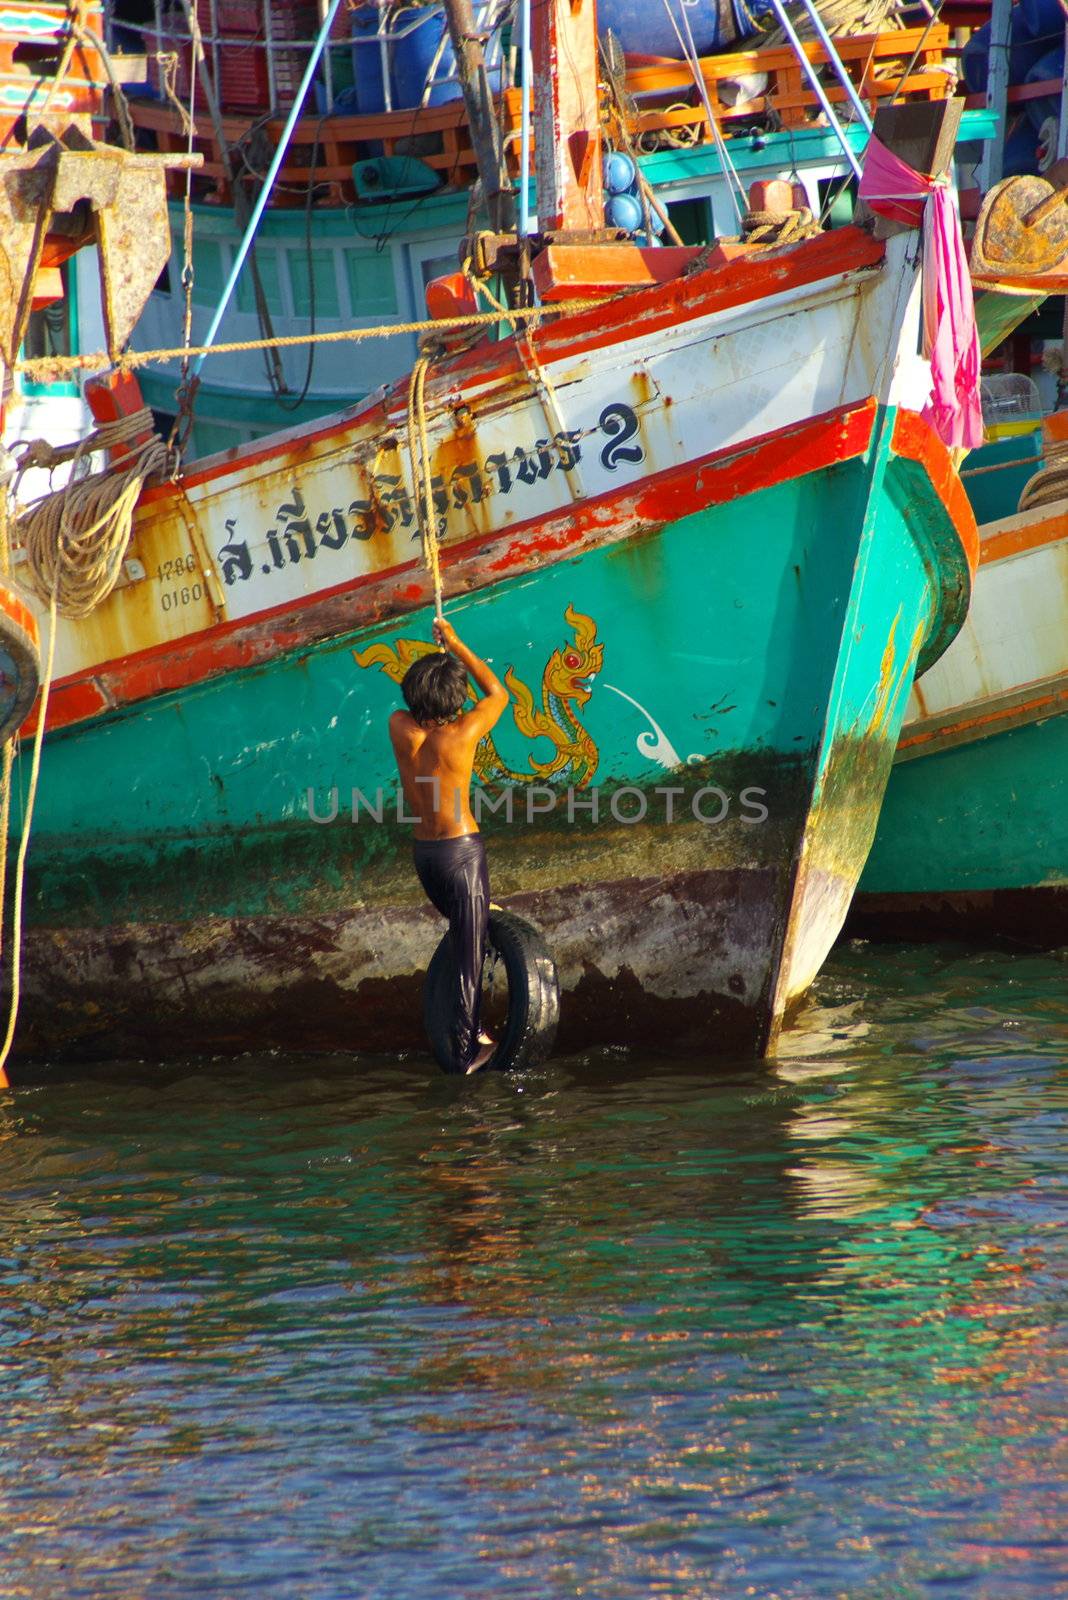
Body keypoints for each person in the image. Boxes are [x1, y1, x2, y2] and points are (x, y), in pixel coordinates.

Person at [389, 617, 509, 1074]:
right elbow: (498, 694)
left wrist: (436, 669)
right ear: (455, 704)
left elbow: (418, 703)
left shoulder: (398, 725)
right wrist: (456, 643)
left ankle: (468, 1032)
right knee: (469, 952)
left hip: (425, 858)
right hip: (461, 855)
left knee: (466, 935)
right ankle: (466, 1047)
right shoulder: (459, 735)